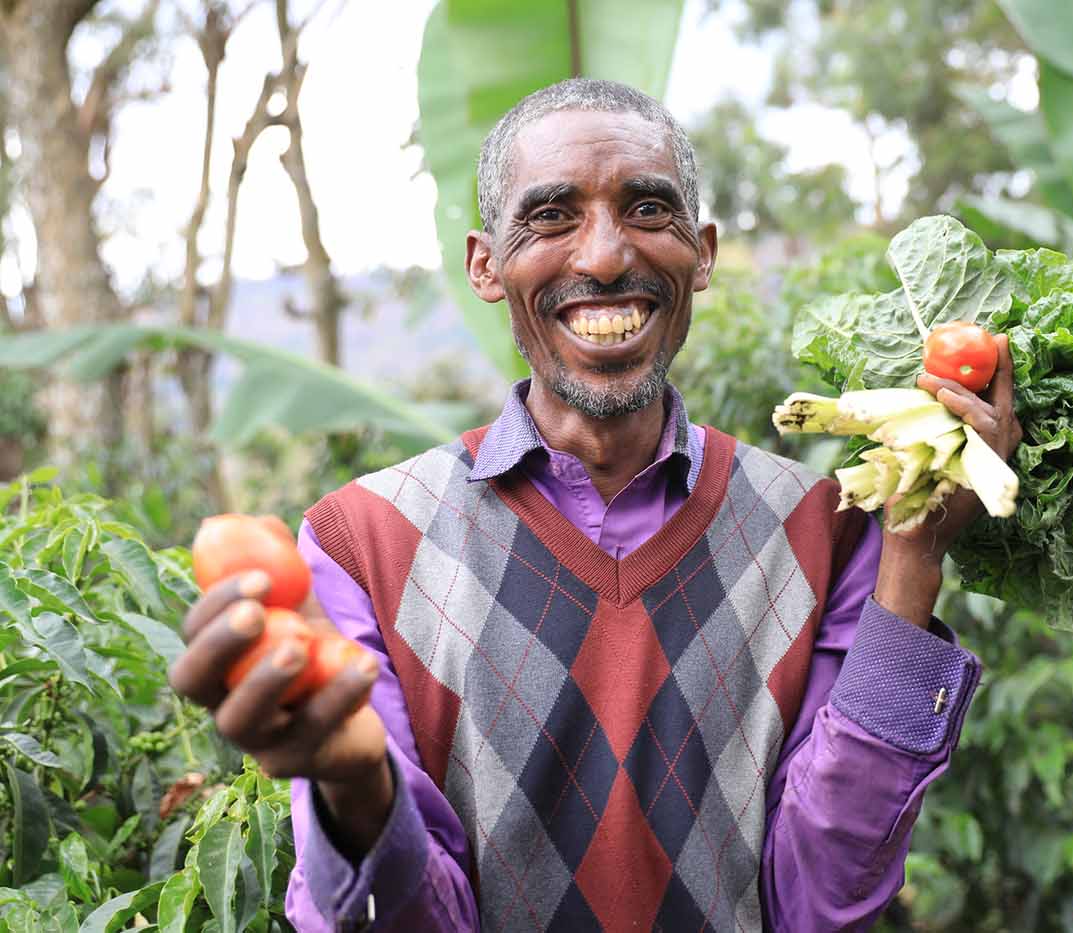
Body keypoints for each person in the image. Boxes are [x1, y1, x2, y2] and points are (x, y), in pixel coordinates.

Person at [170, 78, 1021, 931]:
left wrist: (913, 559)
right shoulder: (363, 542)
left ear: (705, 252)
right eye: (550, 216)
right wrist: (356, 785)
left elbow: (818, 900)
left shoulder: (822, 526)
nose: (607, 257)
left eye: (649, 210)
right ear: (484, 263)